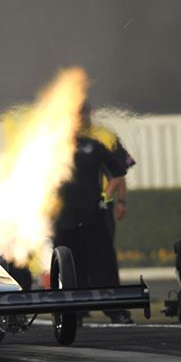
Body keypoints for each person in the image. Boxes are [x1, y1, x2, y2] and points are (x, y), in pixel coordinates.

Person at [53, 103, 129, 323]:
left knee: (103, 262)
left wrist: (106, 197)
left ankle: (115, 310)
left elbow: (118, 171)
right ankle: (72, 313)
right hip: (63, 218)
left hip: (92, 216)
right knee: (68, 266)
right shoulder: (50, 149)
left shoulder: (93, 146)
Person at [80, 103, 136, 323]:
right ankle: (76, 307)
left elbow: (120, 170)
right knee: (72, 256)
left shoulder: (106, 136)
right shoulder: (60, 135)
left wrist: (120, 200)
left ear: (89, 113)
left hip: (100, 205)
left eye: (83, 111)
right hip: (71, 207)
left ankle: (113, 307)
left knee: (104, 256)